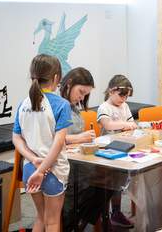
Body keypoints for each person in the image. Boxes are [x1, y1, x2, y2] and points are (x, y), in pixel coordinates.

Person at [12, 54, 72, 231]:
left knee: (40, 216)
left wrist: (34, 161)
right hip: (51, 170)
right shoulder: (61, 104)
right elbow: (58, 143)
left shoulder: (23, 104)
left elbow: (16, 137)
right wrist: (42, 169)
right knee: (52, 221)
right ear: (56, 78)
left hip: (30, 168)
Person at [60, 67, 112, 231]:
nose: (82, 97)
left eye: (85, 95)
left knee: (111, 180)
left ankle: (81, 222)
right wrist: (79, 138)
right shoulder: (56, 106)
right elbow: (51, 138)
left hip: (79, 160)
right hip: (65, 164)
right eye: (81, 92)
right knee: (102, 183)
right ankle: (72, 222)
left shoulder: (74, 107)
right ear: (69, 84)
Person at [97, 74, 136, 228]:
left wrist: (130, 125)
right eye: (121, 95)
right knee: (108, 184)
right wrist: (125, 125)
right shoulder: (104, 107)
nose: (124, 99)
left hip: (123, 148)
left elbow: (132, 123)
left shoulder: (124, 106)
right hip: (108, 152)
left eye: (126, 97)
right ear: (111, 91)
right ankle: (105, 215)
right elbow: (107, 125)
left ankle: (117, 212)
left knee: (118, 183)